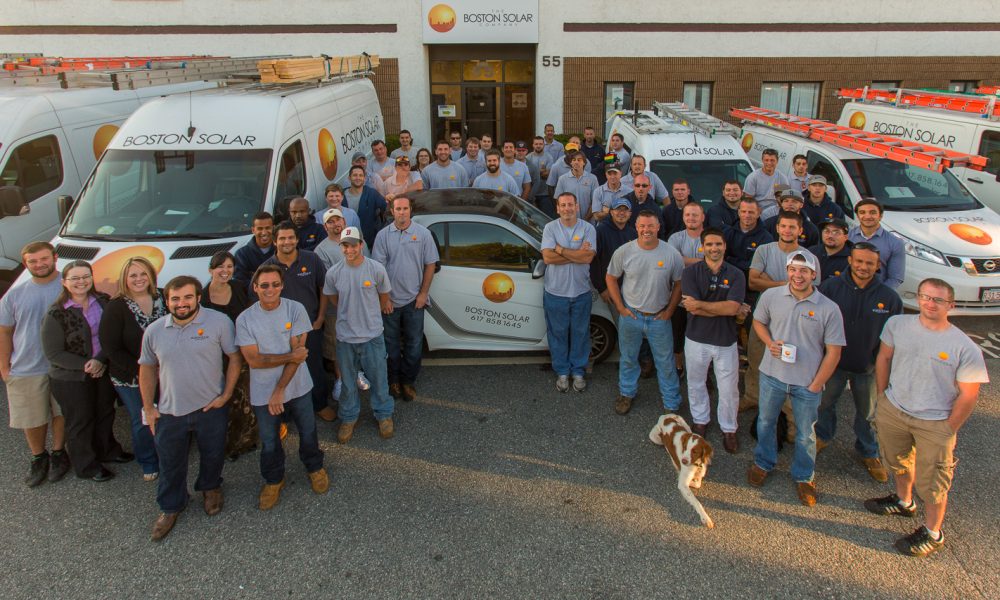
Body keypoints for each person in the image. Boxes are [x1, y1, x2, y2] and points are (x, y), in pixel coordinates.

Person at [865, 279, 987, 557]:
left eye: (938, 300)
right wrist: (882, 397)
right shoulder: (897, 325)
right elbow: (884, 358)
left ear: (950, 305)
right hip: (894, 410)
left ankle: (933, 533)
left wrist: (948, 428)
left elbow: (969, 395)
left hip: (935, 423)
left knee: (934, 483)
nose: (930, 303)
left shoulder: (964, 347)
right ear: (918, 298)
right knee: (896, 461)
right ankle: (904, 501)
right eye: (925, 297)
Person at [139, 276, 242, 541]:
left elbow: (234, 358)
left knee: (213, 454)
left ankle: (210, 487)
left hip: (211, 406)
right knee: (170, 463)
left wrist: (226, 395)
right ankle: (171, 506)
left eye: (187, 297)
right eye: (175, 299)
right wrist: (148, 407)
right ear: (167, 301)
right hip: (170, 410)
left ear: (198, 297)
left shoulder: (219, 322)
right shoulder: (154, 331)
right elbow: (147, 368)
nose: (181, 303)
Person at [747, 252, 845, 507]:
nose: (797, 276)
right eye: (793, 270)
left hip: (807, 382)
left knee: (805, 434)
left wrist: (817, 384)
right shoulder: (771, 296)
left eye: (804, 271)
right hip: (772, 375)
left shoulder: (829, 308)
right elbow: (758, 322)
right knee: (766, 422)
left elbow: (834, 352)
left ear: (814, 275)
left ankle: (804, 476)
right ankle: (763, 463)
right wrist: (770, 343)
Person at [237, 265, 329, 510]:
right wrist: (289, 356)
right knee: (269, 440)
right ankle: (274, 479)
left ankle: (314, 467)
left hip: (298, 386)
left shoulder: (295, 309)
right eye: (264, 285)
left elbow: (299, 356)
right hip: (263, 392)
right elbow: (254, 360)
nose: (270, 290)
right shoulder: (245, 319)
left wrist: (279, 389)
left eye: (275, 284)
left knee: (308, 431)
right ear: (255, 287)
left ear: (282, 285)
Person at [816, 243, 902, 481]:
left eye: (869, 263)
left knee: (868, 412)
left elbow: (894, 337)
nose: (863, 267)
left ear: (878, 266)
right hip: (832, 365)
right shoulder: (830, 288)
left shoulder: (889, 298)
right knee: (824, 404)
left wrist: (880, 365)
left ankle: (868, 451)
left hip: (868, 368)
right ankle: (822, 436)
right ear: (850, 261)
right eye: (859, 261)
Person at [41, 260, 128, 482]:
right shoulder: (56, 313)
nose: (81, 281)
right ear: (64, 282)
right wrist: (88, 365)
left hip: (102, 367)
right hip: (71, 377)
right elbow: (54, 353)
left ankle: (108, 451)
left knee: (105, 412)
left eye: (85, 276)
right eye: (75, 278)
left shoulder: (104, 302)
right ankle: (87, 465)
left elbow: (113, 334)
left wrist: (100, 360)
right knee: (80, 420)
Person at [0, 241, 69, 487]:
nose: (39, 264)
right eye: (33, 261)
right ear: (26, 263)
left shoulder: (69, 286)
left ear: (55, 257)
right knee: (33, 417)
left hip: (63, 366)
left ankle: (59, 452)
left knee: (61, 412)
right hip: (26, 366)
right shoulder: (14, 294)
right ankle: (39, 457)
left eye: (44, 259)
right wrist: (4, 367)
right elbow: (5, 332)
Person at [605, 210, 684, 415]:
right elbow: (611, 277)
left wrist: (669, 311)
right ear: (636, 227)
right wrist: (620, 307)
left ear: (658, 227)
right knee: (628, 358)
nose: (646, 230)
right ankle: (626, 393)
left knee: (665, 363)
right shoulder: (624, 251)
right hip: (631, 315)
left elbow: (679, 283)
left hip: (659, 318)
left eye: (650, 226)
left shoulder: (671, 253)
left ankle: (671, 403)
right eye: (642, 226)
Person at [323, 226, 395, 444]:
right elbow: (334, 299)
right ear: (341, 247)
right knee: (347, 382)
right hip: (345, 338)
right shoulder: (333, 273)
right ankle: (348, 417)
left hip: (372, 336)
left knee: (379, 378)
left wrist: (368, 316)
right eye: (345, 245)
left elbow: (384, 296)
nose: (349, 249)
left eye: (353, 245)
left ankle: (384, 414)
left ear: (361, 245)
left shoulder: (376, 269)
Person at [743, 211, 821, 413]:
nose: (787, 230)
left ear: (800, 230)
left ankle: (786, 410)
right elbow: (753, 282)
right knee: (756, 358)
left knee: (790, 364)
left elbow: (810, 289)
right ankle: (752, 397)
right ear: (777, 228)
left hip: (795, 319)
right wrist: (785, 285)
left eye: (792, 227)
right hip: (764, 314)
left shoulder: (809, 257)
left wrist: (768, 281)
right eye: (783, 226)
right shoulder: (764, 250)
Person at [98, 256, 166, 481]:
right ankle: (148, 461)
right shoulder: (116, 307)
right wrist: (144, 372)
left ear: (151, 276)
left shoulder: (164, 297)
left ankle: (168, 453)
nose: (139, 279)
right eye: (133, 275)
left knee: (166, 414)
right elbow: (111, 348)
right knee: (143, 418)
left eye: (143, 273)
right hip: (130, 376)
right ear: (124, 279)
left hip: (166, 372)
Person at [680, 228, 746, 453]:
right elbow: (692, 308)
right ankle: (700, 420)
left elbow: (733, 308)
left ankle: (729, 428)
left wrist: (702, 305)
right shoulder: (690, 273)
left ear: (725, 246)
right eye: (709, 244)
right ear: (702, 247)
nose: (714, 248)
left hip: (725, 341)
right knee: (696, 382)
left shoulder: (736, 274)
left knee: (728, 388)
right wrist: (722, 308)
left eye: (718, 244)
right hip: (696, 338)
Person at [372, 196, 439, 402]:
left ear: (411, 210)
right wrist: (384, 299)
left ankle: (408, 381)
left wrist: (423, 294)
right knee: (390, 345)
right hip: (390, 302)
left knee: (414, 344)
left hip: (414, 301)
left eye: (405, 208)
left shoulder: (423, 234)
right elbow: (378, 270)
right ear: (392, 211)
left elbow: (430, 265)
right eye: (398, 209)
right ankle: (393, 380)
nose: (402, 212)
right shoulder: (382, 236)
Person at [262, 222, 331, 419]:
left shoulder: (311, 259)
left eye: (291, 237)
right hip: (280, 331)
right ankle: (285, 414)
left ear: (297, 239)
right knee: (283, 369)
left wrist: (320, 317)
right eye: (282, 238)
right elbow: (258, 296)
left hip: (310, 326)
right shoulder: (267, 268)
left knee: (314, 366)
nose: (287, 242)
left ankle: (320, 405)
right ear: (275, 241)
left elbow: (323, 288)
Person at [200, 251, 256, 458]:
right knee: (222, 399)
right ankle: (223, 445)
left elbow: (251, 315)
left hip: (241, 352)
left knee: (244, 398)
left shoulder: (239, 287)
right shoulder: (202, 297)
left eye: (229, 267)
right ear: (211, 270)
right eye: (220, 267)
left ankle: (244, 441)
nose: (225, 271)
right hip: (215, 356)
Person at [541, 192, 597, 393]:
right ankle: (562, 372)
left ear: (577, 206)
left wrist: (560, 249)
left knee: (581, 333)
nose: (567, 208)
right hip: (555, 292)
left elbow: (588, 258)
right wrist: (577, 253)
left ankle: (578, 371)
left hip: (581, 292)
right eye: (563, 205)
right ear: (557, 208)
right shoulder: (550, 228)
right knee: (558, 334)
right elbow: (548, 258)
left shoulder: (588, 228)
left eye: (570, 204)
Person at [315, 208, 371, 403]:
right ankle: (340, 379)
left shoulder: (358, 241)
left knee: (359, 341)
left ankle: (357, 372)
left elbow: (368, 267)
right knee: (338, 345)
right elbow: (330, 282)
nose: (335, 224)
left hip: (361, 305)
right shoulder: (321, 250)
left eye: (338, 220)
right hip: (336, 308)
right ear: (325, 226)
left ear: (344, 222)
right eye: (330, 222)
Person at [667, 203, 707, 376]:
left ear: (702, 217)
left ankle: (702, 372)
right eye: (688, 215)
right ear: (683, 217)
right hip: (678, 296)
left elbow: (716, 261)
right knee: (677, 334)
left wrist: (685, 260)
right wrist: (702, 261)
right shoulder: (675, 238)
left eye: (695, 215)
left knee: (701, 336)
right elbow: (673, 260)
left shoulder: (710, 237)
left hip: (705, 297)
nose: (691, 218)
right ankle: (678, 366)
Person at [848, 198, 905, 289]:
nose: (867, 216)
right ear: (857, 216)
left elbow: (895, 278)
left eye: (872, 212)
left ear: (880, 216)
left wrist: (879, 294)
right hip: (848, 290)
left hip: (878, 291)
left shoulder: (895, 243)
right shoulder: (846, 237)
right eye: (862, 212)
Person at [723, 197, 773, 278]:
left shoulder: (766, 238)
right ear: (739, 212)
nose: (747, 215)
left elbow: (755, 266)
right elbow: (721, 260)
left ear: (758, 213)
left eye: (751, 212)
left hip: (752, 280)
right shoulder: (727, 233)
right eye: (743, 211)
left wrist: (730, 259)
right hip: (728, 277)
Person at [345, 166, 388, 250]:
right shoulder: (341, 196)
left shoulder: (371, 193)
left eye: (361, 175)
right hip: (348, 242)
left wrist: (381, 228)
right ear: (349, 178)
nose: (358, 178)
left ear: (364, 178)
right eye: (355, 175)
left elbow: (386, 208)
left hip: (369, 242)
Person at [743, 148, 790, 220]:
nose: (769, 163)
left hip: (777, 210)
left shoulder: (781, 178)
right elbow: (748, 199)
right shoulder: (753, 177)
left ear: (777, 161)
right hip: (759, 211)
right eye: (766, 160)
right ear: (762, 160)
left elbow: (785, 199)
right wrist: (756, 210)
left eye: (772, 160)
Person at [554, 151, 599, 221]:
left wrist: (585, 220)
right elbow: (558, 200)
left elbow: (595, 201)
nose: (576, 162)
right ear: (571, 163)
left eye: (579, 160)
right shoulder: (562, 179)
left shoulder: (592, 178)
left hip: (589, 222)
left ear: (584, 162)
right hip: (569, 221)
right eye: (574, 160)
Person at [234, 212, 275, 286]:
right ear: (253, 230)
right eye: (260, 228)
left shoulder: (281, 251)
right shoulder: (241, 254)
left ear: (273, 228)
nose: (264, 232)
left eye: (267, 228)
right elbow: (240, 282)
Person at [809, 219, 852, 283]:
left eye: (836, 233)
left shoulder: (852, 258)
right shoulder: (811, 252)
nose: (830, 236)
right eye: (827, 231)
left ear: (845, 237)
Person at [525, 136, 551, 212]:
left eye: (540, 144)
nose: (538, 146)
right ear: (533, 145)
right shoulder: (528, 157)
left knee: (545, 216)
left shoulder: (549, 157)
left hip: (544, 194)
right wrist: (541, 171)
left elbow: (547, 175)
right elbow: (526, 175)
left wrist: (534, 173)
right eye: (536, 144)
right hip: (530, 193)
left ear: (544, 145)